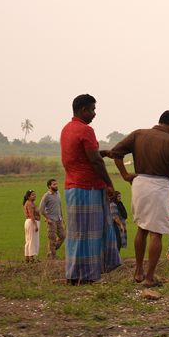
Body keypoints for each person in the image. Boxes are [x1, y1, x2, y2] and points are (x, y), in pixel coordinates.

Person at [110, 109, 169, 288]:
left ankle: (138, 273)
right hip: (159, 187)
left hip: (139, 183)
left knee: (142, 228)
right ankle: (150, 277)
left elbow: (116, 153)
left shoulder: (138, 134)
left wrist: (125, 175)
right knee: (156, 232)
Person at [60, 94, 121, 285]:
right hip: (89, 188)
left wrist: (101, 152)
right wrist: (109, 183)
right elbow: (94, 161)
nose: (94, 114)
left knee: (77, 233)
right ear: (83, 110)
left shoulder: (66, 129)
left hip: (72, 188)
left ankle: (74, 274)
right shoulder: (86, 130)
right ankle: (87, 276)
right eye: (93, 109)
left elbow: (85, 155)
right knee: (91, 233)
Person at [39, 178, 66, 259]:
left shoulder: (58, 194)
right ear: (49, 186)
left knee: (63, 235)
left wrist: (62, 218)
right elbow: (41, 208)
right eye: (54, 184)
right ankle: (51, 255)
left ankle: (53, 249)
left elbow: (60, 207)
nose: (56, 185)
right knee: (52, 238)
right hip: (51, 220)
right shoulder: (46, 196)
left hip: (59, 219)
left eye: (56, 184)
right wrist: (47, 218)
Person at [23, 190, 41, 263]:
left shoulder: (28, 203)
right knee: (32, 240)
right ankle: (31, 258)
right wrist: (35, 225)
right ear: (28, 197)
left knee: (28, 240)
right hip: (31, 222)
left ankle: (27, 258)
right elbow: (31, 215)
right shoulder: (30, 204)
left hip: (28, 222)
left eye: (34, 194)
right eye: (32, 195)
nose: (34, 196)